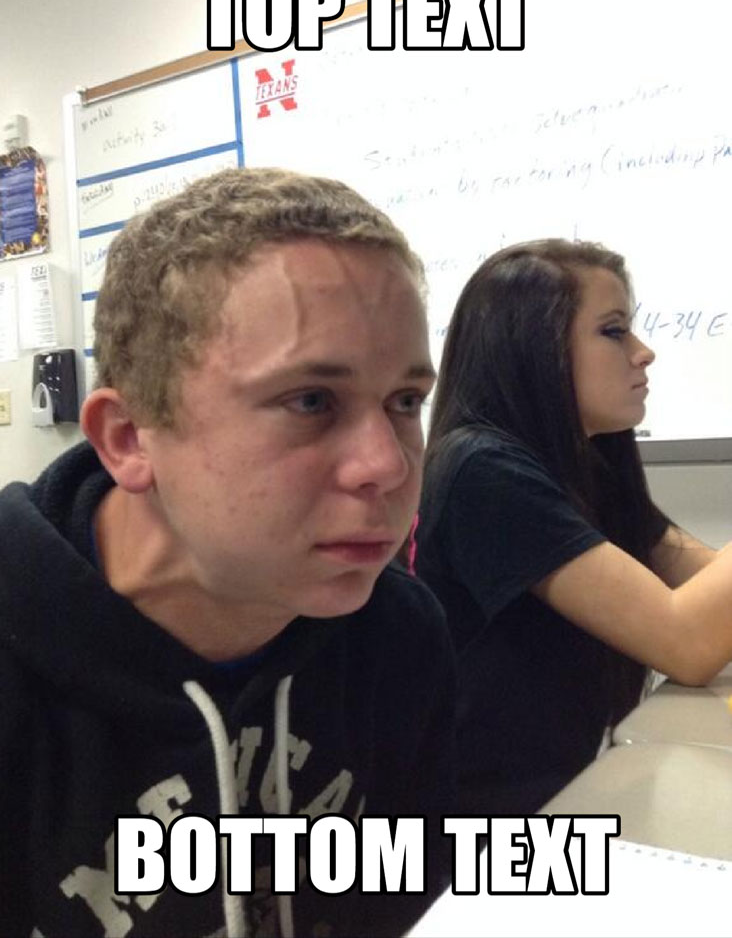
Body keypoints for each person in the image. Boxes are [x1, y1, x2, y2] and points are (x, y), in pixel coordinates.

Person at [0, 167, 456, 938]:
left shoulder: (397, 633)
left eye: (405, 402)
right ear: (127, 439)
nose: (387, 464)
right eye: (312, 401)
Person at [414, 237, 732, 817]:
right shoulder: (480, 469)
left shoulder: (587, 460)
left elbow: (707, 584)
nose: (643, 353)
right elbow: (685, 643)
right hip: (494, 829)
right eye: (614, 332)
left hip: (581, 781)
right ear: (534, 348)